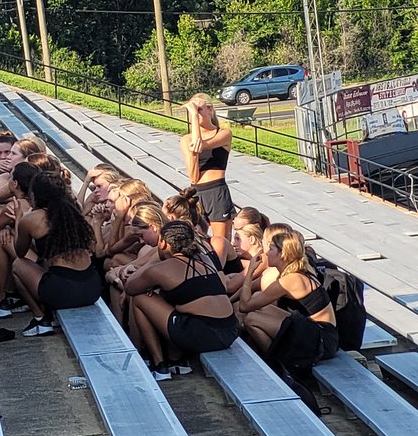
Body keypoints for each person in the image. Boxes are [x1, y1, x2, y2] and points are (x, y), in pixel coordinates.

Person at [123, 220, 239, 381]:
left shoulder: (163, 268)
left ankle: (158, 364)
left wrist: (144, 266)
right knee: (174, 300)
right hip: (230, 331)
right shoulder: (206, 259)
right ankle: (177, 360)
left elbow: (130, 287)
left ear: (163, 243)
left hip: (202, 335)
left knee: (140, 298)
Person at [9, 172, 104, 337]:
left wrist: (18, 219)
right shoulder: (74, 212)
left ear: (34, 195)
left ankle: (40, 318)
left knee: (18, 265)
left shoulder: (32, 219)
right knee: (49, 263)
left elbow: (20, 251)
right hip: (92, 287)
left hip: (64, 292)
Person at [239, 228, 339, 374]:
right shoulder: (298, 270)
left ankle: (278, 365)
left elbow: (244, 306)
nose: (266, 253)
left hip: (321, 340)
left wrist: (249, 273)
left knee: (251, 319)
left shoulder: (291, 279)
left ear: (283, 254)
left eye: (271, 249)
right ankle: (270, 358)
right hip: (314, 331)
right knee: (258, 306)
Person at [179, 94, 235, 262]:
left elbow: (201, 145)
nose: (195, 114)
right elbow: (193, 175)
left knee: (220, 243)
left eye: (199, 109)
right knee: (197, 239)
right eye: (193, 111)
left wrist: (195, 118)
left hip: (216, 190)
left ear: (210, 110)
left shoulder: (223, 133)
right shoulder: (186, 139)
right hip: (198, 191)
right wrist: (194, 119)